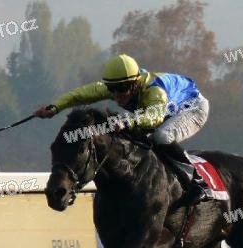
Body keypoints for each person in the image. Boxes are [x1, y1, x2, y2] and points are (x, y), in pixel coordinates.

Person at [34, 54, 212, 204]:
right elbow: (80, 95)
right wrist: (55, 107)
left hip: (192, 108)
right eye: (112, 89)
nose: (117, 95)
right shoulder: (120, 85)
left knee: (161, 136)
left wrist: (129, 121)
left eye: (121, 89)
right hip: (163, 110)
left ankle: (199, 182)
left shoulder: (154, 91)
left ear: (135, 83)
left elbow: (155, 117)